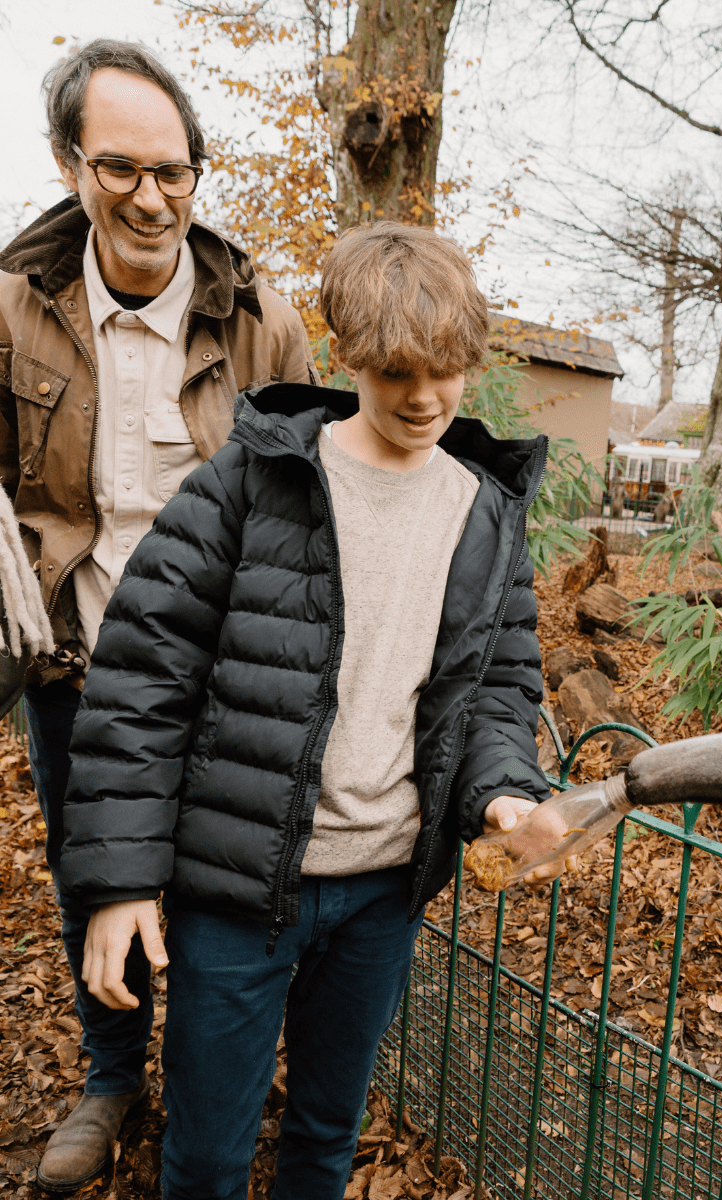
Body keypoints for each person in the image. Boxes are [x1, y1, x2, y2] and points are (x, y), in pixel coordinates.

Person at [57, 220, 551, 1199]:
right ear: (348, 353)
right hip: (238, 890)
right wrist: (117, 884)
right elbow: (139, 678)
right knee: (207, 1154)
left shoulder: (487, 509)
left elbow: (499, 683)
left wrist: (502, 794)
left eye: (444, 372)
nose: (423, 398)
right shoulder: (256, 478)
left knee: (327, 1135)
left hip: (382, 890)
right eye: (395, 373)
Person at [0, 39, 318, 1191]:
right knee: (95, 874)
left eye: (173, 170)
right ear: (70, 164)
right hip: (78, 667)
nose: (150, 195)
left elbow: (301, 507)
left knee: (220, 880)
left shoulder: (260, 325)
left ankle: (212, 1078)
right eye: (120, 167)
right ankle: (108, 1076)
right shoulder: (12, 310)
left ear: (196, 173)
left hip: (226, 676)